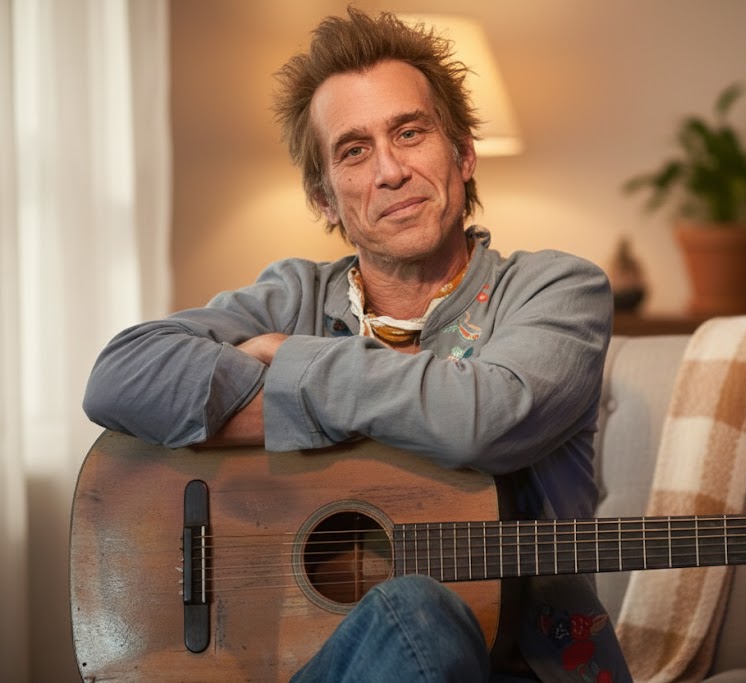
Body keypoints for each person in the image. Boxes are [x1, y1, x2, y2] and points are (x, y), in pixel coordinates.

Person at [83, 7, 631, 683]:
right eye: (354, 150)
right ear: (324, 200)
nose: (391, 171)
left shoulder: (558, 288)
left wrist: (289, 357)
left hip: (526, 670)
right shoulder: (296, 295)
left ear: (463, 155)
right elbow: (119, 376)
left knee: (416, 612)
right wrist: (384, 400)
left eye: (410, 133)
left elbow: (483, 419)